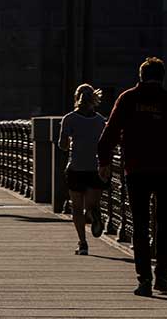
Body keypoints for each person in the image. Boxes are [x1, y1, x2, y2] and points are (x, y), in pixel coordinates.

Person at [97, 57, 167, 297]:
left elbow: (109, 133)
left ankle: (144, 280)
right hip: (165, 169)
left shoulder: (128, 98)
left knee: (139, 225)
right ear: (162, 77)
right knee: (164, 224)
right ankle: (162, 276)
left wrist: (104, 162)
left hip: (136, 169)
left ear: (140, 76)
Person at [58, 83, 107, 255]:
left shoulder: (69, 119)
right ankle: (95, 217)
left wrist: (70, 139)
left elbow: (63, 146)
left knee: (77, 208)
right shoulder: (101, 121)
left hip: (76, 168)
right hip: (95, 169)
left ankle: (83, 243)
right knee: (91, 205)